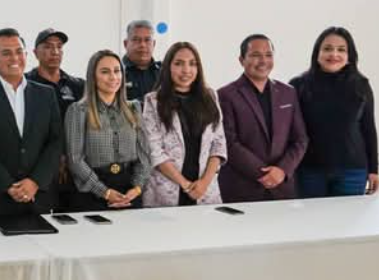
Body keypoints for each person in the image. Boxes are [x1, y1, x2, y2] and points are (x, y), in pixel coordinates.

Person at [0, 28, 62, 216]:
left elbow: (55, 141)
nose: (14, 58)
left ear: (26, 55)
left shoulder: (46, 94)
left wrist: (35, 182)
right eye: (6, 53)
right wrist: (9, 186)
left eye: (19, 52)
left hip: (38, 196)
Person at [218, 34, 309, 203]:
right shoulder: (225, 95)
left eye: (268, 55)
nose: (263, 61)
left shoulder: (288, 92)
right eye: (255, 55)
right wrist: (264, 174)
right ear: (241, 60)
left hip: (282, 187)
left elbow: (300, 139)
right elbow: (229, 142)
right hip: (242, 187)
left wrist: (282, 171)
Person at [290, 26, 378, 197]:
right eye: (327, 49)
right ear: (317, 53)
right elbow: (290, 130)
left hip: (352, 172)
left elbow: (369, 129)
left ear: (349, 56)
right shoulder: (298, 85)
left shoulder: (361, 85)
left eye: (341, 50)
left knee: (347, 215)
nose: (334, 54)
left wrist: (374, 169)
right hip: (309, 170)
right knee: (313, 215)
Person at [65, 49, 151, 212]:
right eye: (105, 72)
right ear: (93, 77)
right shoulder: (78, 110)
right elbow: (75, 160)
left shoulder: (134, 108)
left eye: (117, 71)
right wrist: (104, 192)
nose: (113, 77)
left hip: (129, 190)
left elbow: (144, 154)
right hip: (92, 192)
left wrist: (137, 188)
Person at [142, 41, 227, 207]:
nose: (186, 70)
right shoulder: (153, 101)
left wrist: (204, 183)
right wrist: (186, 185)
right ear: (168, 67)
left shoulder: (210, 96)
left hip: (205, 190)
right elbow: (154, 151)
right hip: (167, 191)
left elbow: (219, 144)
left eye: (192, 64)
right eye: (179, 63)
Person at [25, 28, 84, 212]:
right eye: (48, 47)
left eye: (59, 47)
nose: (55, 52)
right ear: (35, 53)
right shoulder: (25, 84)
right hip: (38, 167)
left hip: (75, 165)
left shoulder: (77, 85)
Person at [122, 20, 162, 102]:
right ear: (126, 44)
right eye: (136, 39)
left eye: (147, 40)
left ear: (154, 44)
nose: (142, 45)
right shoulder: (116, 71)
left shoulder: (164, 71)